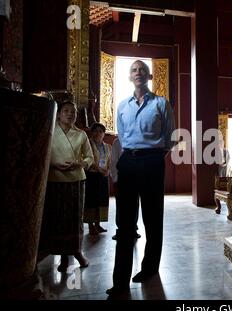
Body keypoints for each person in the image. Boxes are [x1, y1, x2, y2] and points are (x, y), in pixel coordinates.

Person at [106, 60, 175, 297]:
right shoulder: (123, 106)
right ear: (129, 77)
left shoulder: (161, 103)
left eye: (142, 70)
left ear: (149, 76)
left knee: (152, 218)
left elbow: (169, 138)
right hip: (128, 162)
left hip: (152, 162)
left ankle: (149, 268)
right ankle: (120, 282)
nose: (138, 73)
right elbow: (122, 137)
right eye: (134, 70)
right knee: (125, 224)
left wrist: (153, 155)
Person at [40, 100, 94, 272]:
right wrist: (53, 165)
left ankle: (77, 252)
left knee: (75, 218)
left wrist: (79, 164)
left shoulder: (81, 135)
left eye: (73, 112)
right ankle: (62, 256)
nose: (70, 114)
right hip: (54, 180)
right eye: (66, 111)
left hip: (76, 180)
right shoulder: (49, 131)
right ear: (59, 113)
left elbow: (90, 158)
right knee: (57, 218)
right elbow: (41, 154)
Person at [110, 137, 140, 240]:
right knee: (121, 205)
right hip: (121, 178)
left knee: (135, 204)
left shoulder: (138, 139)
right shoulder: (117, 141)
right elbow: (113, 161)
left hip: (136, 177)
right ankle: (121, 230)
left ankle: (133, 229)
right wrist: (115, 179)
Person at [84, 122, 111, 235]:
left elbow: (110, 161)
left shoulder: (107, 146)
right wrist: (99, 169)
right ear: (92, 132)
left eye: (101, 131)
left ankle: (98, 224)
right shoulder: (88, 144)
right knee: (91, 200)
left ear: (104, 134)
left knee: (102, 199)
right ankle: (91, 226)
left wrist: (107, 171)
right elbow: (87, 159)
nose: (98, 133)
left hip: (103, 176)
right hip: (92, 175)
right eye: (95, 131)